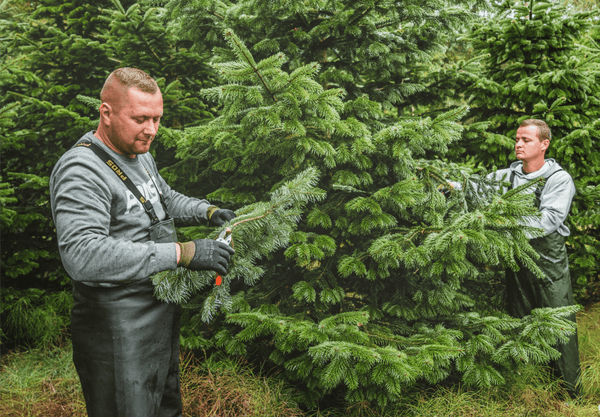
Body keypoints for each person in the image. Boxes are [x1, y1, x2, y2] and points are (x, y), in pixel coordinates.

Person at [50, 67, 236, 417]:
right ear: (106, 113)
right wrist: (182, 252)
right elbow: (82, 254)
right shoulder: (81, 170)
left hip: (157, 311)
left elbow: (162, 198)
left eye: (156, 119)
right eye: (140, 118)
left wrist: (207, 212)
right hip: (115, 325)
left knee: (165, 409)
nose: (150, 130)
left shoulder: (139, 153)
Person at [452, 119, 580, 397]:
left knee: (557, 323)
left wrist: (502, 222)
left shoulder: (558, 179)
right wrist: (442, 183)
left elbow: (549, 220)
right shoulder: (504, 177)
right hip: (516, 261)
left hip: (548, 263)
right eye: (517, 139)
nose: (518, 144)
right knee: (518, 319)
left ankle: (568, 393)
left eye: (526, 140)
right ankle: (527, 386)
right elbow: (471, 187)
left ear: (544, 145)